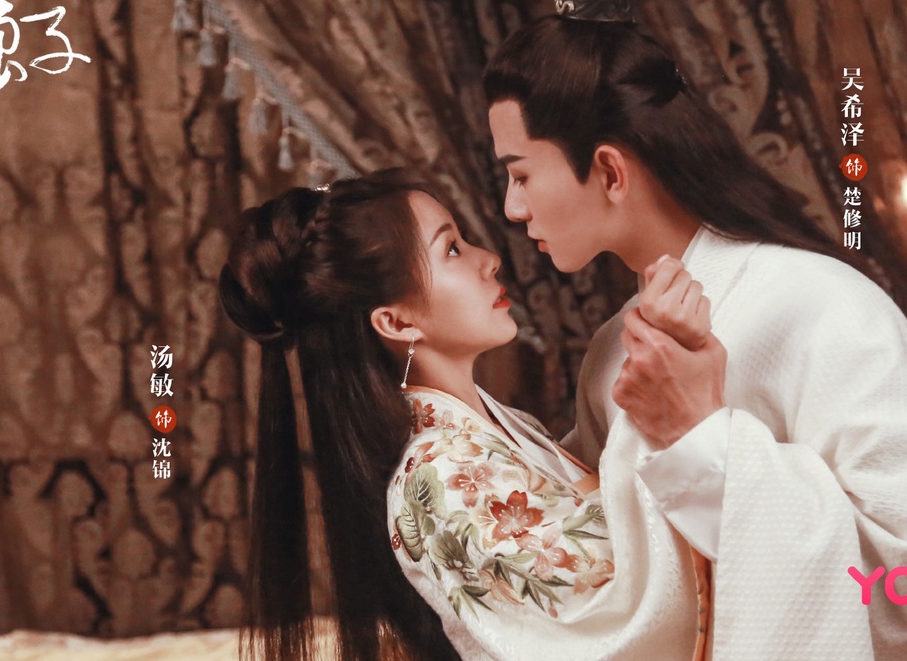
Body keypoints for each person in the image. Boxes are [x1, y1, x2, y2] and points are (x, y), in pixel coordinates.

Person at [482, 0, 907, 659]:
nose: (512, 208)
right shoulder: (613, 352)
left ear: (609, 170)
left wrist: (698, 433)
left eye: (521, 175)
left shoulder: (827, 307)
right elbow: (600, 576)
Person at [220, 171, 714, 661]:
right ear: (397, 321)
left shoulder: (493, 431)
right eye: (452, 249)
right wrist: (664, 400)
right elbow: (614, 611)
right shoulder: (440, 475)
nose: (489, 259)